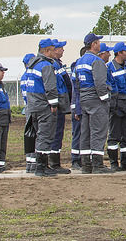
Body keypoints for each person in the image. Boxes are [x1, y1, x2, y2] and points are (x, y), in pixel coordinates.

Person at [21, 41, 62, 177]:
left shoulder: (32, 65)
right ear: (46, 51)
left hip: (33, 105)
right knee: (46, 135)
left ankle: (40, 165)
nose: (53, 53)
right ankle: (42, 167)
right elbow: (50, 87)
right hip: (44, 106)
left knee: (39, 135)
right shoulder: (46, 65)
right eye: (52, 50)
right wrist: (54, 104)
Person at [74, 33, 113, 173]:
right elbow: (100, 82)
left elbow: (76, 84)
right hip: (96, 99)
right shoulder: (97, 61)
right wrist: (104, 98)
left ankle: (86, 165)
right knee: (98, 131)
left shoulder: (79, 61)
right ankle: (97, 164)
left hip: (84, 99)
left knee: (86, 132)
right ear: (93, 44)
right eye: (97, 42)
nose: (99, 45)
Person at [106, 42, 126, 171]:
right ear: (119, 53)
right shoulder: (109, 68)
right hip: (117, 107)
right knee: (114, 136)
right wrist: (115, 106)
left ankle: (125, 163)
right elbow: (110, 88)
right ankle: (113, 163)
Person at [49, 39, 72, 172]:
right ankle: (54, 164)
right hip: (56, 104)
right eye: (61, 48)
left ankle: (53, 162)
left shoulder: (57, 64)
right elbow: (62, 84)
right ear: (55, 50)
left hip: (60, 103)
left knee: (57, 132)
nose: (63, 50)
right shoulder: (53, 65)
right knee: (55, 133)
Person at [69, 46, 86, 169]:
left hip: (82, 106)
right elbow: (75, 91)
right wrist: (75, 109)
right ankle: (75, 160)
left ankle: (83, 159)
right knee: (77, 133)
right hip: (78, 107)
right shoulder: (77, 69)